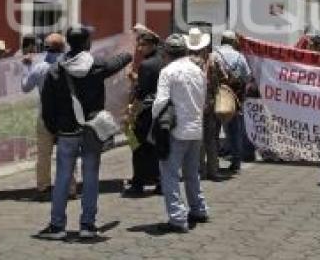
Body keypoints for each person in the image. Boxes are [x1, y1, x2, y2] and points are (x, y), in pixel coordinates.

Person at [36, 25, 132, 240]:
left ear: (69, 43)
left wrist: (54, 130)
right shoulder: (96, 66)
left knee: (62, 178)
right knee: (90, 177)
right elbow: (117, 62)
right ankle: (88, 225)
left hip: (66, 132)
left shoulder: (56, 70)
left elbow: (47, 106)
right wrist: (129, 48)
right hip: (91, 130)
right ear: (88, 43)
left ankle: (57, 226)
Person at [153, 33, 209, 233]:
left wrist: (156, 120)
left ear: (166, 52)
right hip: (195, 128)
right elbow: (203, 99)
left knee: (169, 174)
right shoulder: (197, 70)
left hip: (176, 130)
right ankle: (199, 209)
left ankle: (177, 218)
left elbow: (160, 102)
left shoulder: (168, 71)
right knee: (192, 173)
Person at [21, 33, 75, 201]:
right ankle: (70, 188)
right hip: (67, 116)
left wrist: (27, 67)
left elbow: (25, 87)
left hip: (45, 116)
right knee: (67, 153)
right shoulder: (71, 66)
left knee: (44, 154)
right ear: (63, 47)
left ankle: (43, 187)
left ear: (46, 49)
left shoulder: (39, 68)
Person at [122, 28, 163, 196]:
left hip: (146, 111)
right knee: (156, 148)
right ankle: (159, 181)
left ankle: (138, 183)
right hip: (160, 109)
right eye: (139, 45)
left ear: (152, 45)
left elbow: (142, 92)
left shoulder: (147, 64)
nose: (140, 48)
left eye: (143, 45)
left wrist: (131, 112)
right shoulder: (163, 60)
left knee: (138, 148)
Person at [186, 28, 227, 180]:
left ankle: (199, 170)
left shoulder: (185, 62)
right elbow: (224, 76)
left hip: (191, 104)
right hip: (209, 104)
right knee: (212, 138)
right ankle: (214, 170)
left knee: (197, 139)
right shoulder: (213, 59)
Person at [215, 30, 251, 174]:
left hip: (216, 97)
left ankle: (213, 161)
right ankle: (236, 162)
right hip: (233, 98)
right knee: (235, 130)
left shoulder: (214, 55)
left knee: (214, 131)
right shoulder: (239, 57)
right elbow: (247, 76)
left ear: (222, 40)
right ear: (233, 42)